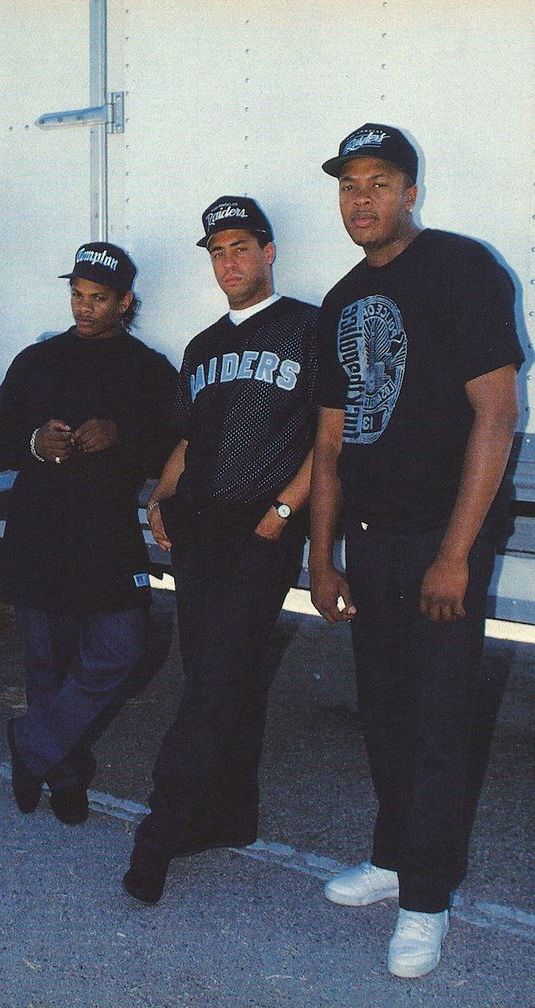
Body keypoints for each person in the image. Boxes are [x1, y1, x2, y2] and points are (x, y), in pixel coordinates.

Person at [309, 124, 523, 978]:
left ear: (411, 193)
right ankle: (395, 857)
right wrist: (321, 559)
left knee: (438, 720)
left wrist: (456, 553)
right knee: (386, 706)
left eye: (379, 182)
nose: (361, 199)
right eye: (349, 185)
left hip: (445, 538)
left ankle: (427, 902)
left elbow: (496, 418)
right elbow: (329, 444)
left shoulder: (465, 270)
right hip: (370, 538)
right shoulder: (337, 300)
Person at [123, 196, 319, 904]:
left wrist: (285, 510)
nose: (229, 262)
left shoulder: (307, 327)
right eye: (217, 251)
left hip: (258, 531)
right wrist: (157, 499)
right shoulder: (203, 345)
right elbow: (186, 437)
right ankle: (231, 817)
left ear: (268, 253)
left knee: (213, 682)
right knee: (211, 672)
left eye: (241, 247)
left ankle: (158, 833)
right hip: (197, 528)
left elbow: (330, 435)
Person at [0, 242, 177, 825]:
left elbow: (175, 448)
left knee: (120, 649)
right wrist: (33, 444)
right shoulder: (37, 361)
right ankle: (64, 778)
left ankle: (35, 747)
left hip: (105, 534)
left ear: (125, 303)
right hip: (39, 530)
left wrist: (119, 434)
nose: (84, 308)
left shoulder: (149, 369)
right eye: (77, 295)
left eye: (98, 299)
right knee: (47, 662)